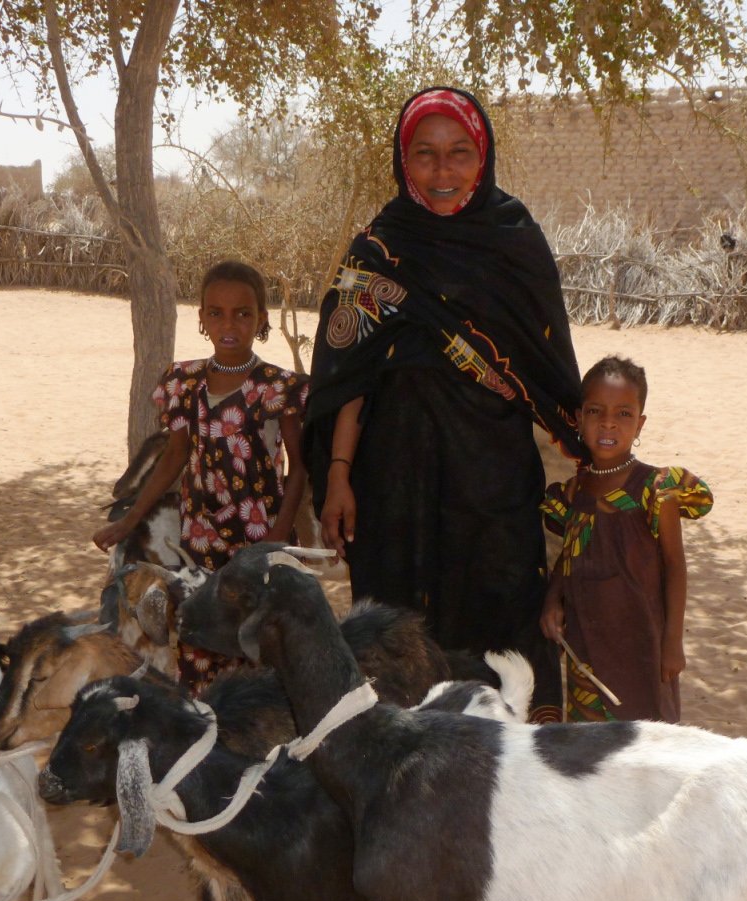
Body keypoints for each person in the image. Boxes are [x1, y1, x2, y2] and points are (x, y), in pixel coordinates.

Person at [305, 86, 584, 722]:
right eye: (425, 154)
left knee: (502, 615)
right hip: (392, 481)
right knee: (396, 631)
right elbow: (349, 376)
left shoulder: (514, 242)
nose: (442, 171)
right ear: (403, 160)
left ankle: (511, 777)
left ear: (482, 155)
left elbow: (548, 374)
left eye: (459, 152)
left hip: (493, 480)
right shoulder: (377, 248)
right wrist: (340, 477)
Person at [95, 260, 308, 690]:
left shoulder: (278, 387)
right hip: (200, 541)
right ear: (202, 318)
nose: (228, 324)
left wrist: (279, 535)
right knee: (200, 644)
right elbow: (174, 457)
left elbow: (300, 465)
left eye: (243, 313)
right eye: (216, 312)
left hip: (257, 539)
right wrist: (128, 521)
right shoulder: (183, 382)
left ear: (261, 319)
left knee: (259, 647)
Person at [539, 355, 713, 723]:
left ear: (640, 424)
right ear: (578, 417)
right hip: (586, 639)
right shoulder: (572, 492)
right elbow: (567, 556)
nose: (608, 423)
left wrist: (672, 643)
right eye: (595, 411)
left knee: (646, 740)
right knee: (591, 745)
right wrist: (553, 600)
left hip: (642, 640)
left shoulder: (654, 489)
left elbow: (675, 567)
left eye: (623, 414)